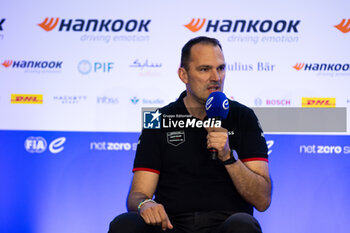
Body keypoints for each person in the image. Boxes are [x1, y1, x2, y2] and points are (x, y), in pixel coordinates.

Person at [108, 36, 272, 233]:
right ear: (183, 74)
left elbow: (262, 200)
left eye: (220, 68)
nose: (216, 77)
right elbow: (137, 194)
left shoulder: (243, 116)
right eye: (205, 69)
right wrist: (145, 205)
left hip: (226, 226)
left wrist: (229, 158)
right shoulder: (158, 118)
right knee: (125, 224)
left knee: (243, 226)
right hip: (170, 226)